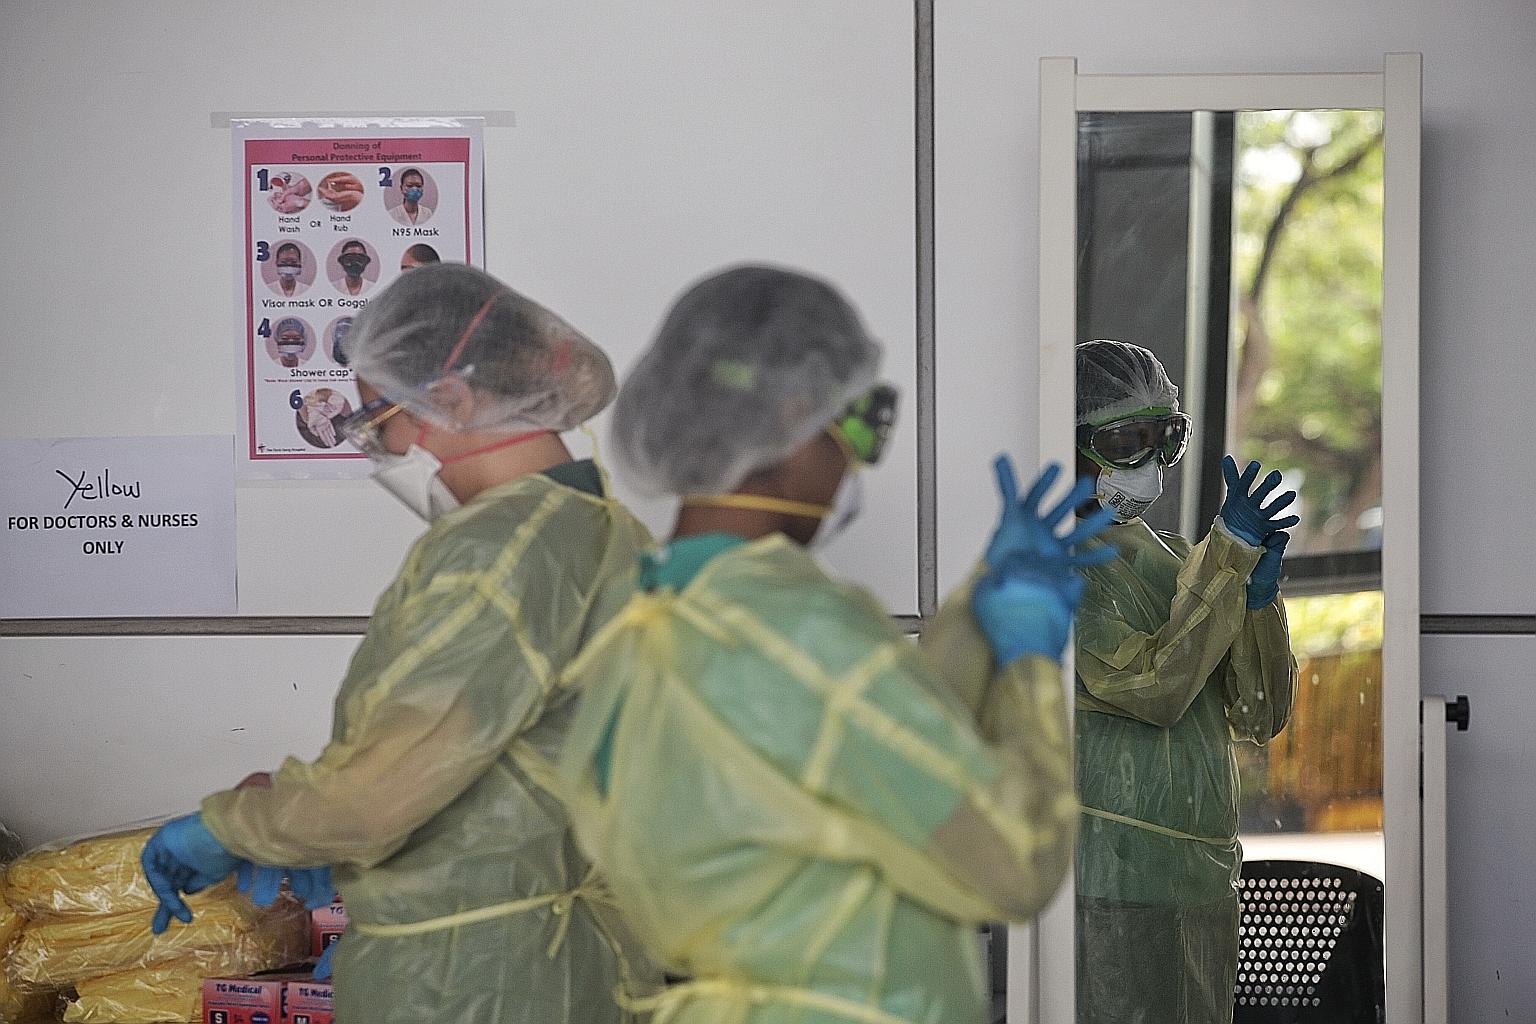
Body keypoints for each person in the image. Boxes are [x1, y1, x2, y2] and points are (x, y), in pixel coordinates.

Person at [556, 264, 1116, 1024]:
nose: (854, 463)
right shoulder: (794, 627)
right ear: (790, 418)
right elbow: (1015, 862)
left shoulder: (644, 611)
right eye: (853, 426)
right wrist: (1028, 664)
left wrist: (978, 609)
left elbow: (866, 752)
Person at [140, 263, 661, 1023]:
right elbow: (505, 757)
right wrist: (306, 815)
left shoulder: (496, 552)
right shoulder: (608, 533)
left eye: (374, 423)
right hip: (586, 959)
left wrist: (229, 826)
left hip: (476, 979)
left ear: (447, 399)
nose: (376, 449)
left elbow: (375, 794)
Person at [1071, 339, 1299, 1024]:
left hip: (1204, 880)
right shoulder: (1055, 569)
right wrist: (1225, 560)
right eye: (1126, 441)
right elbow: (1155, 689)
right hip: (1110, 880)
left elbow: (1259, 713)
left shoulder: (1175, 558)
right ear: (1068, 444)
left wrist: (1257, 603)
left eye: (1163, 439)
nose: (1148, 465)